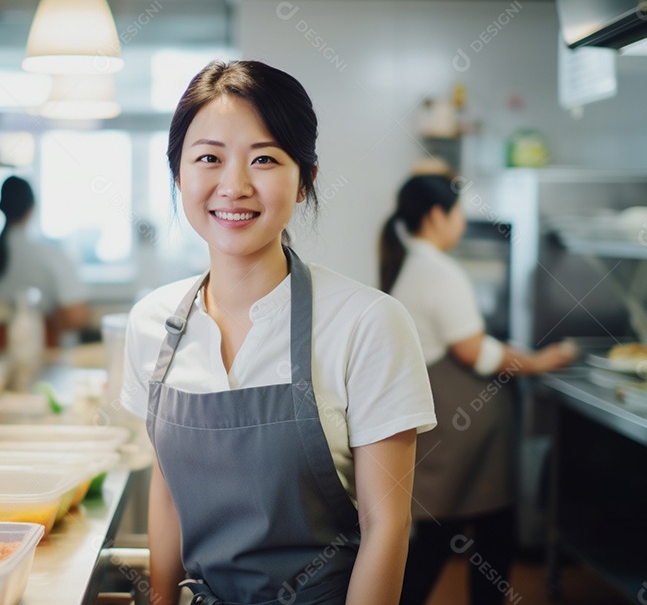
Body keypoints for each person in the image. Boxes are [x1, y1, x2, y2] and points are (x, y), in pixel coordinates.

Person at [120, 60, 437, 605]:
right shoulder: (152, 322)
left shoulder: (368, 324)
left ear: (305, 180)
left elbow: (386, 524)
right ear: (179, 175)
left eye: (264, 158)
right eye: (209, 158)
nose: (234, 185)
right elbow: (169, 492)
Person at [380, 174, 576, 605]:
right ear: (436, 216)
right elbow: (474, 352)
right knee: (478, 535)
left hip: (454, 432)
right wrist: (539, 361)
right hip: (464, 436)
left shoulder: (414, 264)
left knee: (445, 532)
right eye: (458, 212)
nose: (463, 222)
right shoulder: (436, 269)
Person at [0, 176, 89, 349]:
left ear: (1, 207)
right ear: (31, 210)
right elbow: (76, 317)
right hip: (41, 365)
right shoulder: (51, 256)